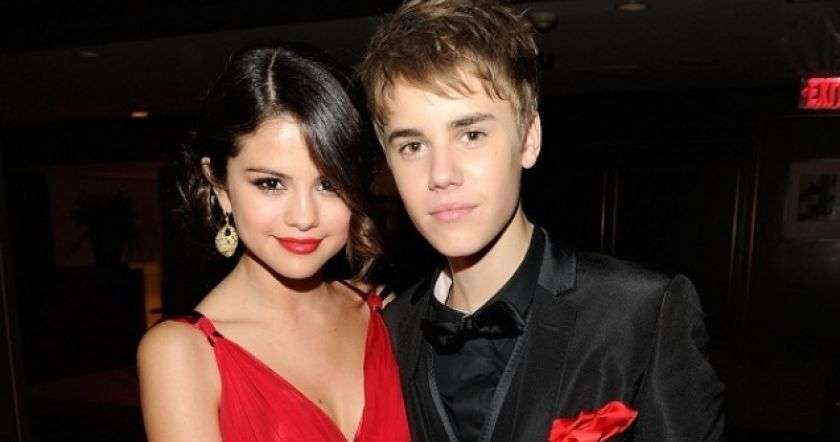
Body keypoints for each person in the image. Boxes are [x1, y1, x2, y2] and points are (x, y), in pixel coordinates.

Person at [358, 1, 725, 441]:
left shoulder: (639, 314)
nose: (441, 174)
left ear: (529, 139)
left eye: (471, 135)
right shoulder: (389, 332)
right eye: (413, 146)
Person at [137, 43, 409, 442]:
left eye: (329, 184)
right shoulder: (182, 354)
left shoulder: (388, 314)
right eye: (270, 183)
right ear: (220, 186)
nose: (303, 216)